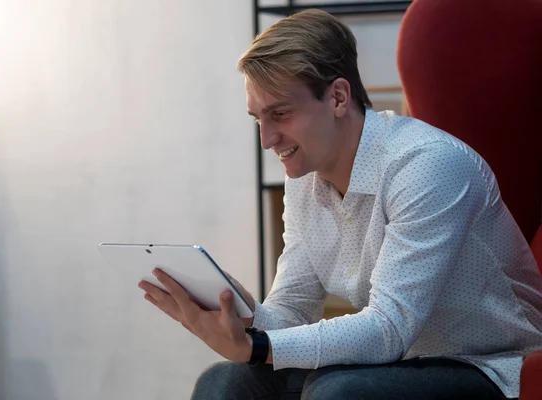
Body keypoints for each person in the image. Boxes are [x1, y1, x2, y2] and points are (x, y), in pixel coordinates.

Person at [138, 9, 542, 400]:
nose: (267, 139)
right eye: (258, 118)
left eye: (280, 113)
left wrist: (258, 346)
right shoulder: (304, 181)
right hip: (395, 364)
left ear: (337, 96)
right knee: (225, 382)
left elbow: (387, 329)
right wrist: (247, 318)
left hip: (491, 367)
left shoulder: (425, 165)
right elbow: (293, 310)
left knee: (338, 391)